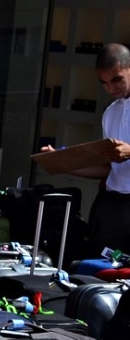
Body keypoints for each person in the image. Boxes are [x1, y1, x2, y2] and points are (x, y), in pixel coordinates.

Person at [46, 43, 130, 256]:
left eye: (116, 79)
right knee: (101, 270)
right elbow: (110, 168)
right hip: (113, 208)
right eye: (104, 83)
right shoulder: (111, 112)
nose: (111, 89)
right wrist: (62, 163)